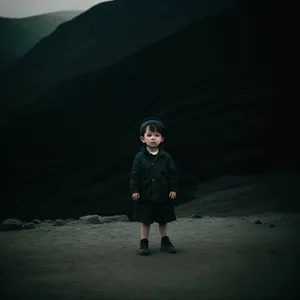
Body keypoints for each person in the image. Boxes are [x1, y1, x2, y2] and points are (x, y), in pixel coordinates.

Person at [129, 119, 179, 255]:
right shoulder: (139, 158)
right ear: (142, 139)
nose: (153, 138)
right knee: (146, 221)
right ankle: (144, 243)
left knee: (163, 220)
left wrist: (173, 189)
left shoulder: (166, 157)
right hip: (145, 195)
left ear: (162, 139)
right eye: (150, 135)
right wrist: (135, 190)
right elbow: (135, 175)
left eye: (156, 136)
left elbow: (172, 174)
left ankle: (165, 241)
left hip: (163, 194)